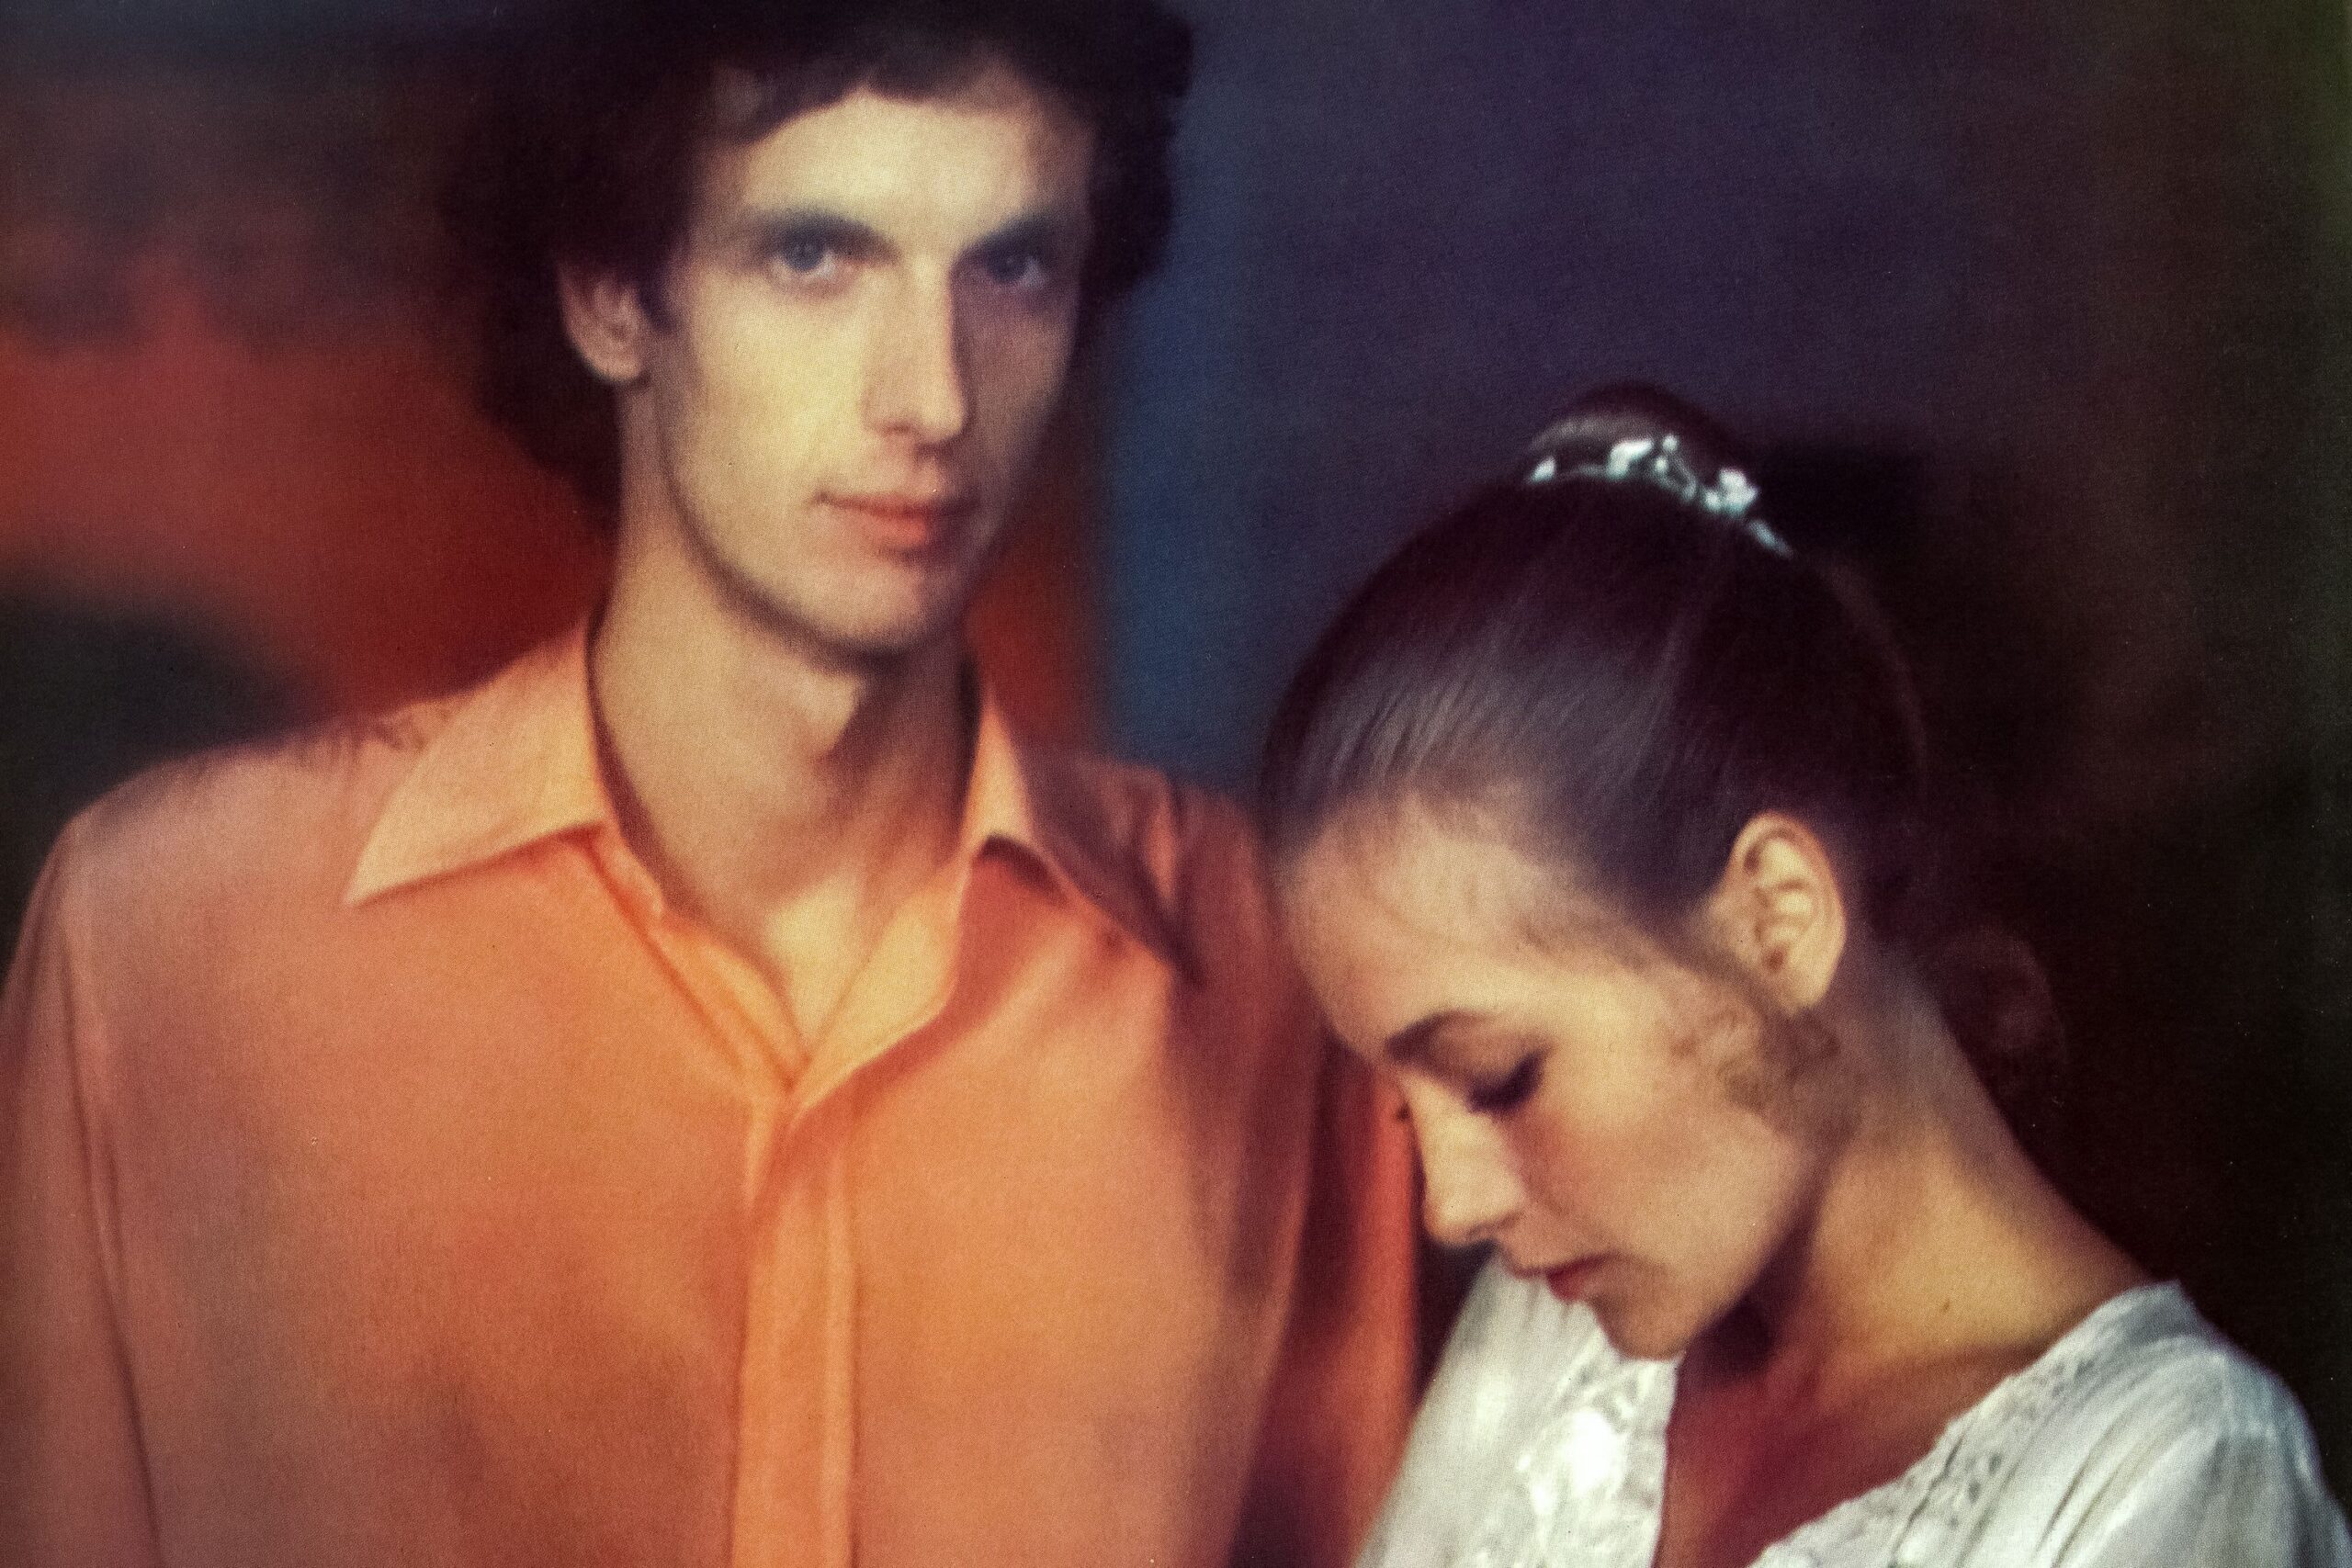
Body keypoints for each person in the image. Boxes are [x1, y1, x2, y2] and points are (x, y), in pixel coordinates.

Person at [0, 4, 1419, 1564]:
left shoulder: (1277, 967)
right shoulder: (176, 938)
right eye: (813, 257)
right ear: (614, 295)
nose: (932, 398)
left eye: (1011, 268)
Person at [1258, 386, 2350, 1567]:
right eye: (1404, 1107)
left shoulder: (2168, 1470)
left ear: (1776, 922)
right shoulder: (1559, 1326)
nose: (1452, 1207)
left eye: (1499, 1075)